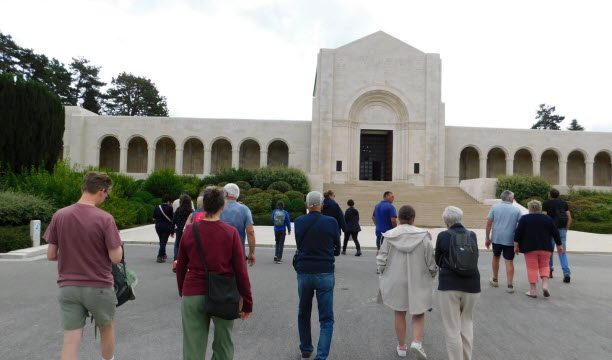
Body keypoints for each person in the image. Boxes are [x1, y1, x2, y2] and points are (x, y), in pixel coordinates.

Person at [44, 171, 123, 360]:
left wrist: (72, 254)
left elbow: (51, 254)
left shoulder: (60, 215)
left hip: (68, 287)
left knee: (71, 337)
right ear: (102, 191)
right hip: (99, 286)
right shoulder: (105, 218)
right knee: (107, 327)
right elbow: (116, 258)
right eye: (107, 193)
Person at [176, 186, 253, 360]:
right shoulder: (230, 233)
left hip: (193, 292)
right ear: (223, 206)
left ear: (203, 205)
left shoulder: (190, 230)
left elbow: (181, 265)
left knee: (193, 346)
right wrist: (247, 301)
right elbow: (241, 271)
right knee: (224, 344)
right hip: (224, 293)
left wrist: (183, 291)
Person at [377, 205, 437, 359]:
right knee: (419, 311)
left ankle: (401, 346)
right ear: (413, 218)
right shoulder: (424, 236)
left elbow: (382, 259)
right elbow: (431, 261)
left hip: (395, 278)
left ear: (399, 218)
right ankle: (416, 341)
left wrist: (382, 273)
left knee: (399, 312)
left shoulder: (389, 235)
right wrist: (432, 274)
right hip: (419, 278)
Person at [294, 191, 341, 360]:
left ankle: (306, 348)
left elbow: (299, 244)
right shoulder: (331, 222)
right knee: (326, 317)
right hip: (325, 270)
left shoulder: (299, 222)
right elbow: (337, 246)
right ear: (322, 205)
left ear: (306, 204)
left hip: (304, 270)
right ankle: (321, 356)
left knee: (304, 312)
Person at [435, 206, 480, 360]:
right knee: (466, 323)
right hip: (472, 285)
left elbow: (438, 260)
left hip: (449, 285)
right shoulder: (472, 235)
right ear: (461, 218)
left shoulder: (443, 236)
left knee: (452, 328)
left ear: (446, 222)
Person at [514, 200, 564, 298]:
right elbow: (555, 233)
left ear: (529, 209)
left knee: (532, 268)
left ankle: (533, 291)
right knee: (545, 266)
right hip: (545, 247)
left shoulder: (524, 218)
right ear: (540, 209)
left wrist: (516, 245)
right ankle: (545, 285)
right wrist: (559, 245)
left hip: (530, 248)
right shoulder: (548, 218)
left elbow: (518, 233)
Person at [485, 190, 522, 293]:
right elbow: (521, 226)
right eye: (513, 197)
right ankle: (510, 285)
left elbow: (488, 224)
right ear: (510, 198)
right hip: (510, 239)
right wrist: (518, 242)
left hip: (497, 237)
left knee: (496, 257)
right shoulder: (516, 210)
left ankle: (495, 279)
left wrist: (487, 238)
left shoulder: (494, 208)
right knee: (509, 261)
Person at [220, 183, 256, 266]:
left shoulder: (218, 207)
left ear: (225, 193)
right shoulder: (244, 209)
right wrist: (252, 253)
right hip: (238, 251)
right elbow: (250, 232)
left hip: (220, 251)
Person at [542, 188, 572, 283]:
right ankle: (566, 273)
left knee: (549, 252)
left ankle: (549, 270)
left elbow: (544, 217)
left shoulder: (546, 203)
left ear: (550, 195)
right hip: (562, 230)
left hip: (551, 231)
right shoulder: (564, 203)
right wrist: (565, 229)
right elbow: (569, 218)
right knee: (562, 252)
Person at [171, 193, 192, 273]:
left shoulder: (178, 210)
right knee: (187, 247)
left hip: (179, 230)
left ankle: (176, 261)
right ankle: (186, 262)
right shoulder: (191, 211)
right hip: (187, 231)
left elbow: (173, 221)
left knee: (177, 245)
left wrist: (172, 231)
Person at [153, 194, 174, 263]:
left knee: (161, 240)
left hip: (158, 226)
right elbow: (172, 218)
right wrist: (172, 231)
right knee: (163, 241)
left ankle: (163, 253)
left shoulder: (157, 207)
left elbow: (154, 217)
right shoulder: (170, 208)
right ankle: (160, 256)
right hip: (166, 226)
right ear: (168, 201)